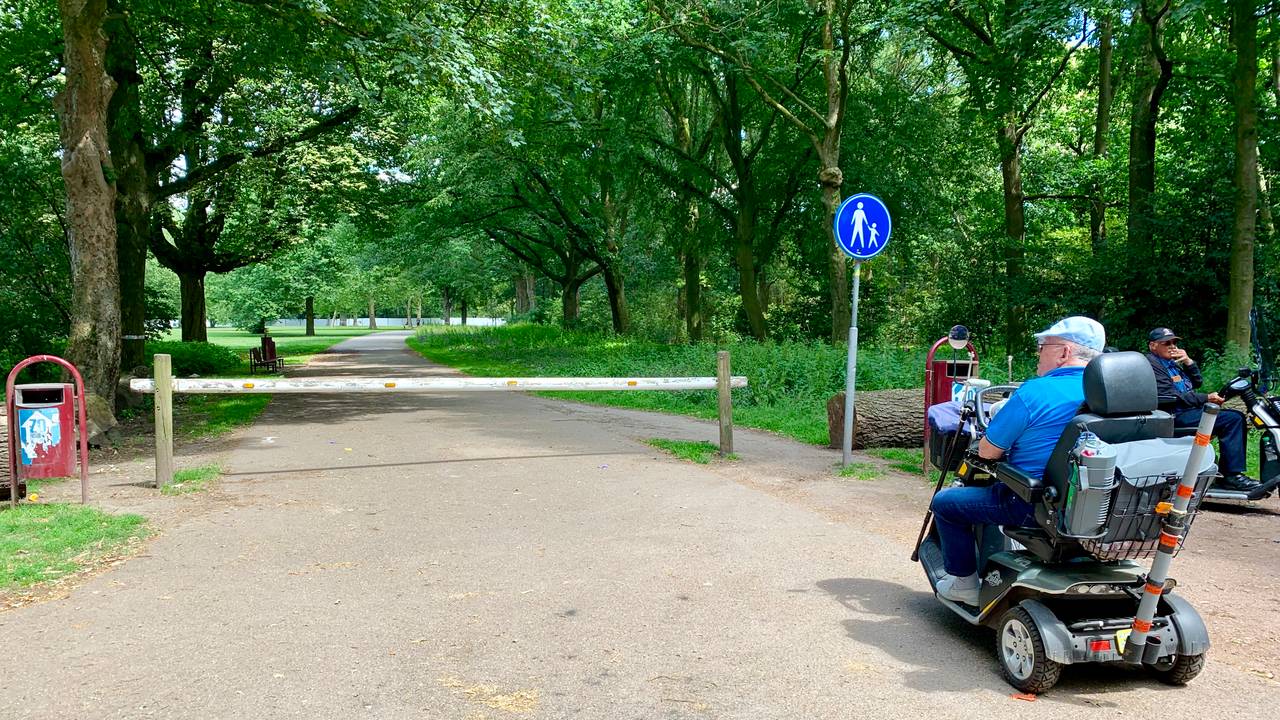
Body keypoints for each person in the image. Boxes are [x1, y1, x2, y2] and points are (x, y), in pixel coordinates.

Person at [932, 316, 1104, 605]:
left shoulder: (1036, 392)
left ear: (1065, 352)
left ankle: (964, 584)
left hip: (1032, 504)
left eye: (1043, 346)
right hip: (1096, 508)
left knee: (946, 504)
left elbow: (988, 451)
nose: (1038, 353)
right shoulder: (1112, 396)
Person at [1144, 327, 1261, 493]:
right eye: (1166, 343)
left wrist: (1188, 362)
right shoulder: (1152, 365)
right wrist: (1206, 398)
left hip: (1188, 410)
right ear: (1153, 346)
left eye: (1174, 342)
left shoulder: (1171, 364)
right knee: (1232, 419)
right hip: (1173, 416)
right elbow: (1171, 396)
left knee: (1232, 416)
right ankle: (1232, 476)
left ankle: (1221, 470)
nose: (1172, 346)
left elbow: (1196, 382)